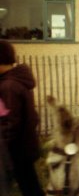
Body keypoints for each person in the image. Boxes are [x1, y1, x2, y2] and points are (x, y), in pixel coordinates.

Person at [0, 40, 44, 196]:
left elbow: (8, 122)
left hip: (14, 150)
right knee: (30, 185)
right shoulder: (17, 81)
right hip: (24, 146)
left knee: (28, 186)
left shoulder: (8, 86)